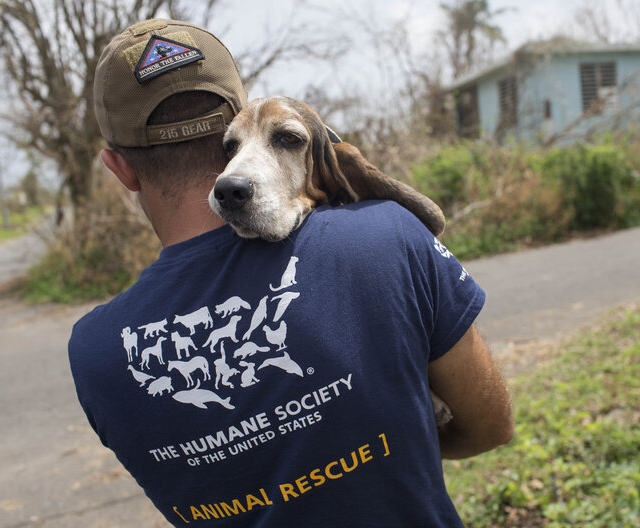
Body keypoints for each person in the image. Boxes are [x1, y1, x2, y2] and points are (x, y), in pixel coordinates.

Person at [68, 18, 513, 527]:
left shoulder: (94, 355)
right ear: (229, 127)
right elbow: (491, 426)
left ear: (119, 168)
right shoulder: (390, 236)